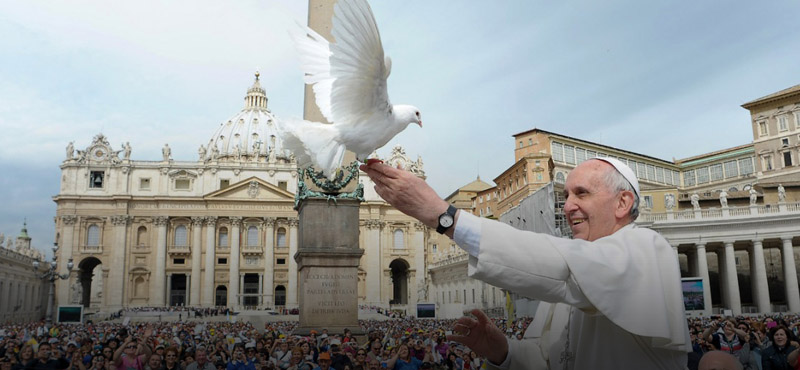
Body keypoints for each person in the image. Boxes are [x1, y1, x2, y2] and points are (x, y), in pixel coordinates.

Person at [361, 158, 690, 369]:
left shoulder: (648, 249)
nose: (568, 206)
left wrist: (445, 217)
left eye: (582, 194)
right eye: (566, 197)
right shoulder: (570, 278)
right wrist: (503, 350)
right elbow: (547, 360)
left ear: (623, 202)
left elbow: (560, 265)